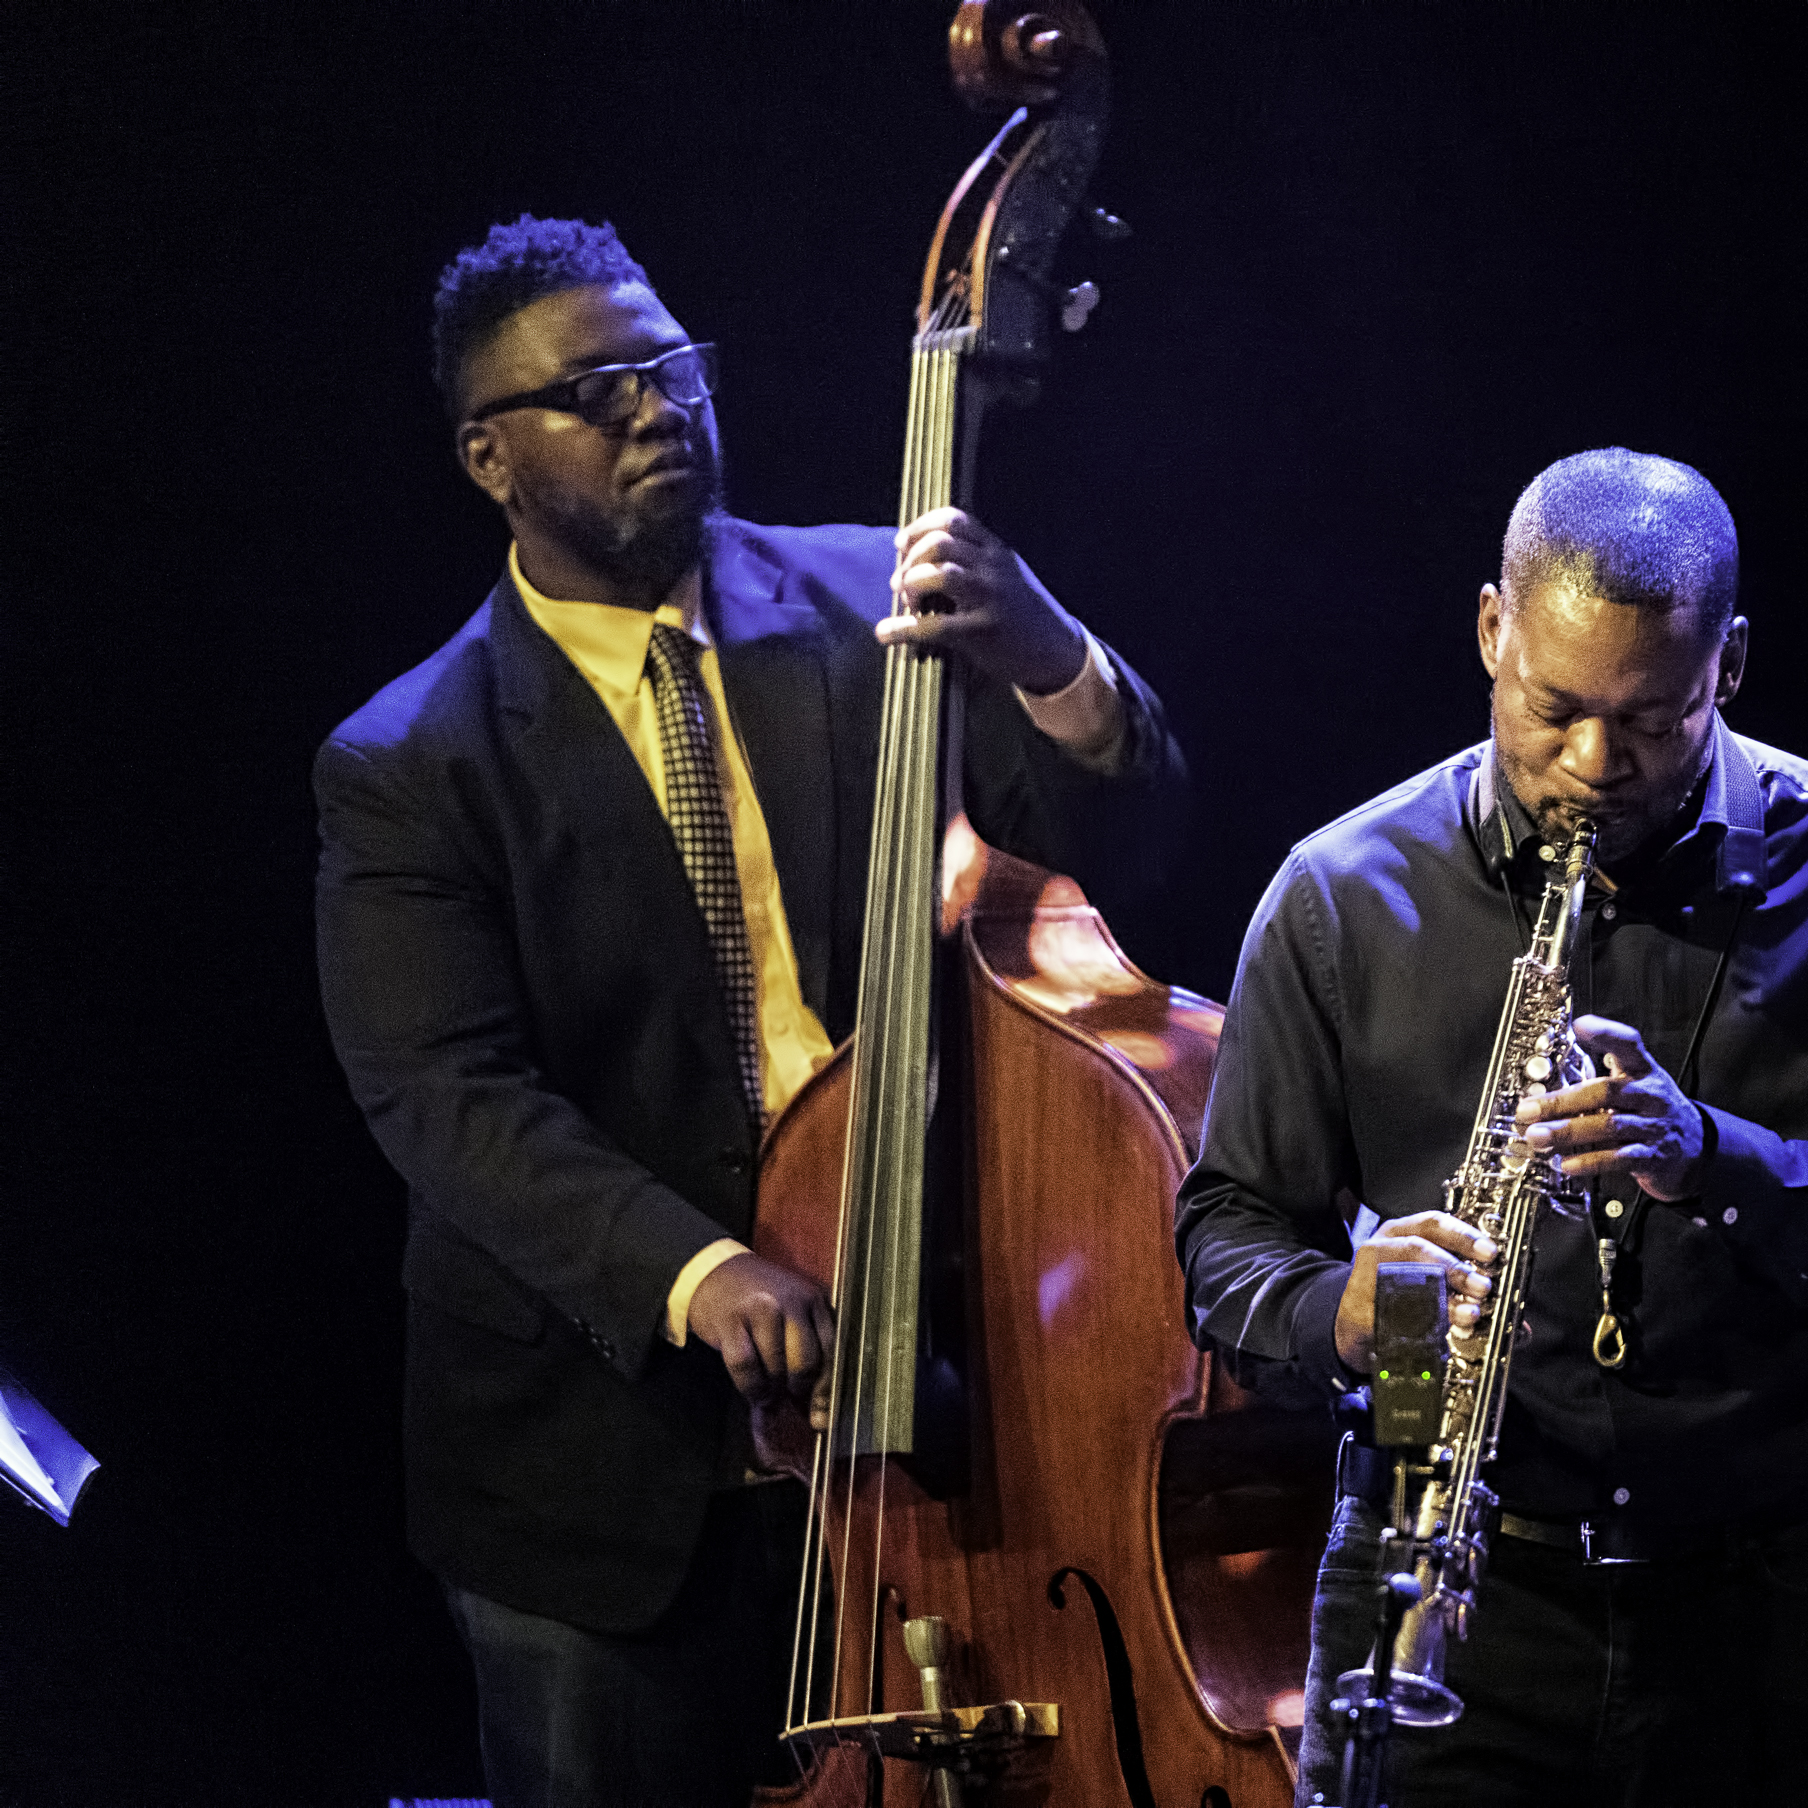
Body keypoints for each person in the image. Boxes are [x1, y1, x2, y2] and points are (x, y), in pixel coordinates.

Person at [315, 216, 1185, 1808]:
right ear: (490, 456)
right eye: (598, 390)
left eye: (672, 367)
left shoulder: (882, 606)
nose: (660, 408)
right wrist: (700, 1269)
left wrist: (1053, 660)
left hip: (934, 1406)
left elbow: (1122, 866)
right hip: (604, 1473)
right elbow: (445, 1094)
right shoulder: (411, 760)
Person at [1175, 448, 1808, 1806]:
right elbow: (1224, 1235)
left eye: (1650, 721)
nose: (1590, 767)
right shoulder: (1343, 893)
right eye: (1553, 708)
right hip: (1441, 1591)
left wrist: (1717, 1162)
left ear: (1728, 667)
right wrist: (1351, 1312)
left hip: (1765, 1612)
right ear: (1490, 631)